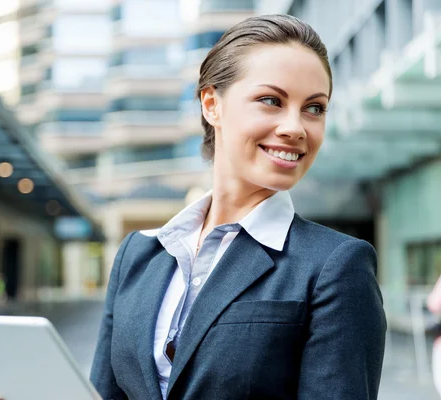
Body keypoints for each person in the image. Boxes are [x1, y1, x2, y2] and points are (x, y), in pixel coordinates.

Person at [89, 14, 386, 400]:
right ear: (212, 104)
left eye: (314, 108)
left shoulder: (336, 266)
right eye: (271, 101)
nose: (296, 127)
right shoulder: (138, 256)